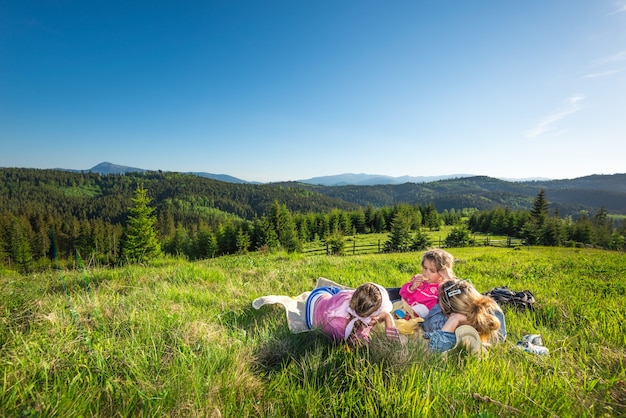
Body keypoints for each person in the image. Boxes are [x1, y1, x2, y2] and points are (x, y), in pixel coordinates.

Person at [253, 280, 400, 347]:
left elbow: (348, 298)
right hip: (318, 309)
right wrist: (387, 316)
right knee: (337, 292)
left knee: (339, 292)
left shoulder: (347, 297)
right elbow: (393, 344)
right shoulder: (358, 333)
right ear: (370, 314)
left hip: (316, 299)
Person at [421, 278, 507, 353]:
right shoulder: (439, 321)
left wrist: (456, 319)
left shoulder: (492, 312)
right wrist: (455, 319)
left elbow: (435, 351)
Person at [396, 249, 455, 319]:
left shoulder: (442, 287)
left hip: (425, 317)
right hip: (406, 307)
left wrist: (448, 277)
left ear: (442, 273)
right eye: (425, 268)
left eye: (432, 271)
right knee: (394, 304)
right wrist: (411, 288)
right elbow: (402, 293)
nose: (426, 273)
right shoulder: (418, 279)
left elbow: (457, 297)